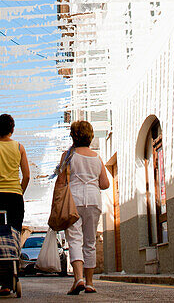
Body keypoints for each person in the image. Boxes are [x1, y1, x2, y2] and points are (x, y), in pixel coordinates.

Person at [0, 113, 30, 297]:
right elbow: (26, 176)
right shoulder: (19, 147)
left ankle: (4, 283)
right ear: (12, 129)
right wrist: (19, 192)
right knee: (14, 237)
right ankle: (12, 278)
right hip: (15, 197)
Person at [60, 120, 109, 295]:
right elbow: (105, 184)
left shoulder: (68, 156)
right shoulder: (97, 158)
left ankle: (78, 279)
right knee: (90, 242)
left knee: (74, 239)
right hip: (93, 201)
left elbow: (61, 181)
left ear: (73, 136)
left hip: (74, 200)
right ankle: (90, 283)